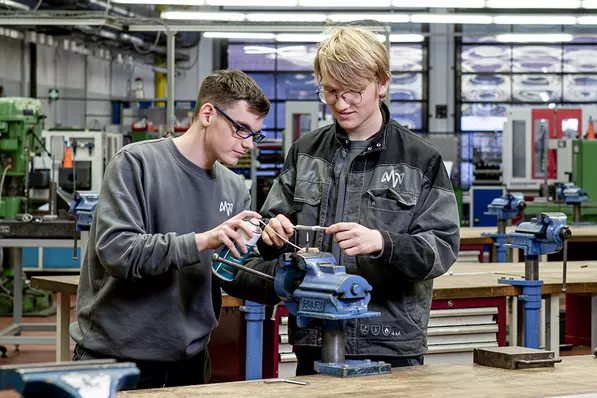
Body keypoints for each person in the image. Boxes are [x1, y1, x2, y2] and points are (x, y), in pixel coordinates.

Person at [223, 26, 460, 374]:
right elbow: (264, 234)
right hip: (313, 333)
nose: (341, 103)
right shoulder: (305, 153)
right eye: (330, 92)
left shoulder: (420, 160)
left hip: (389, 339)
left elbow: (441, 248)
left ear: (382, 83)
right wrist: (270, 235)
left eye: (353, 92)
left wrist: (383, 242)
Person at [70, 69, 270, 389]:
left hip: (188, 361)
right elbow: (119, 253)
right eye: (241, 129)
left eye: (254, 134)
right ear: (208, 113)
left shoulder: (234, 190)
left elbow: (229, 270)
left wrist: (284, 269)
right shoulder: (136, 164)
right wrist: (202, 240)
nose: (248, 144)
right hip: (116, 357)